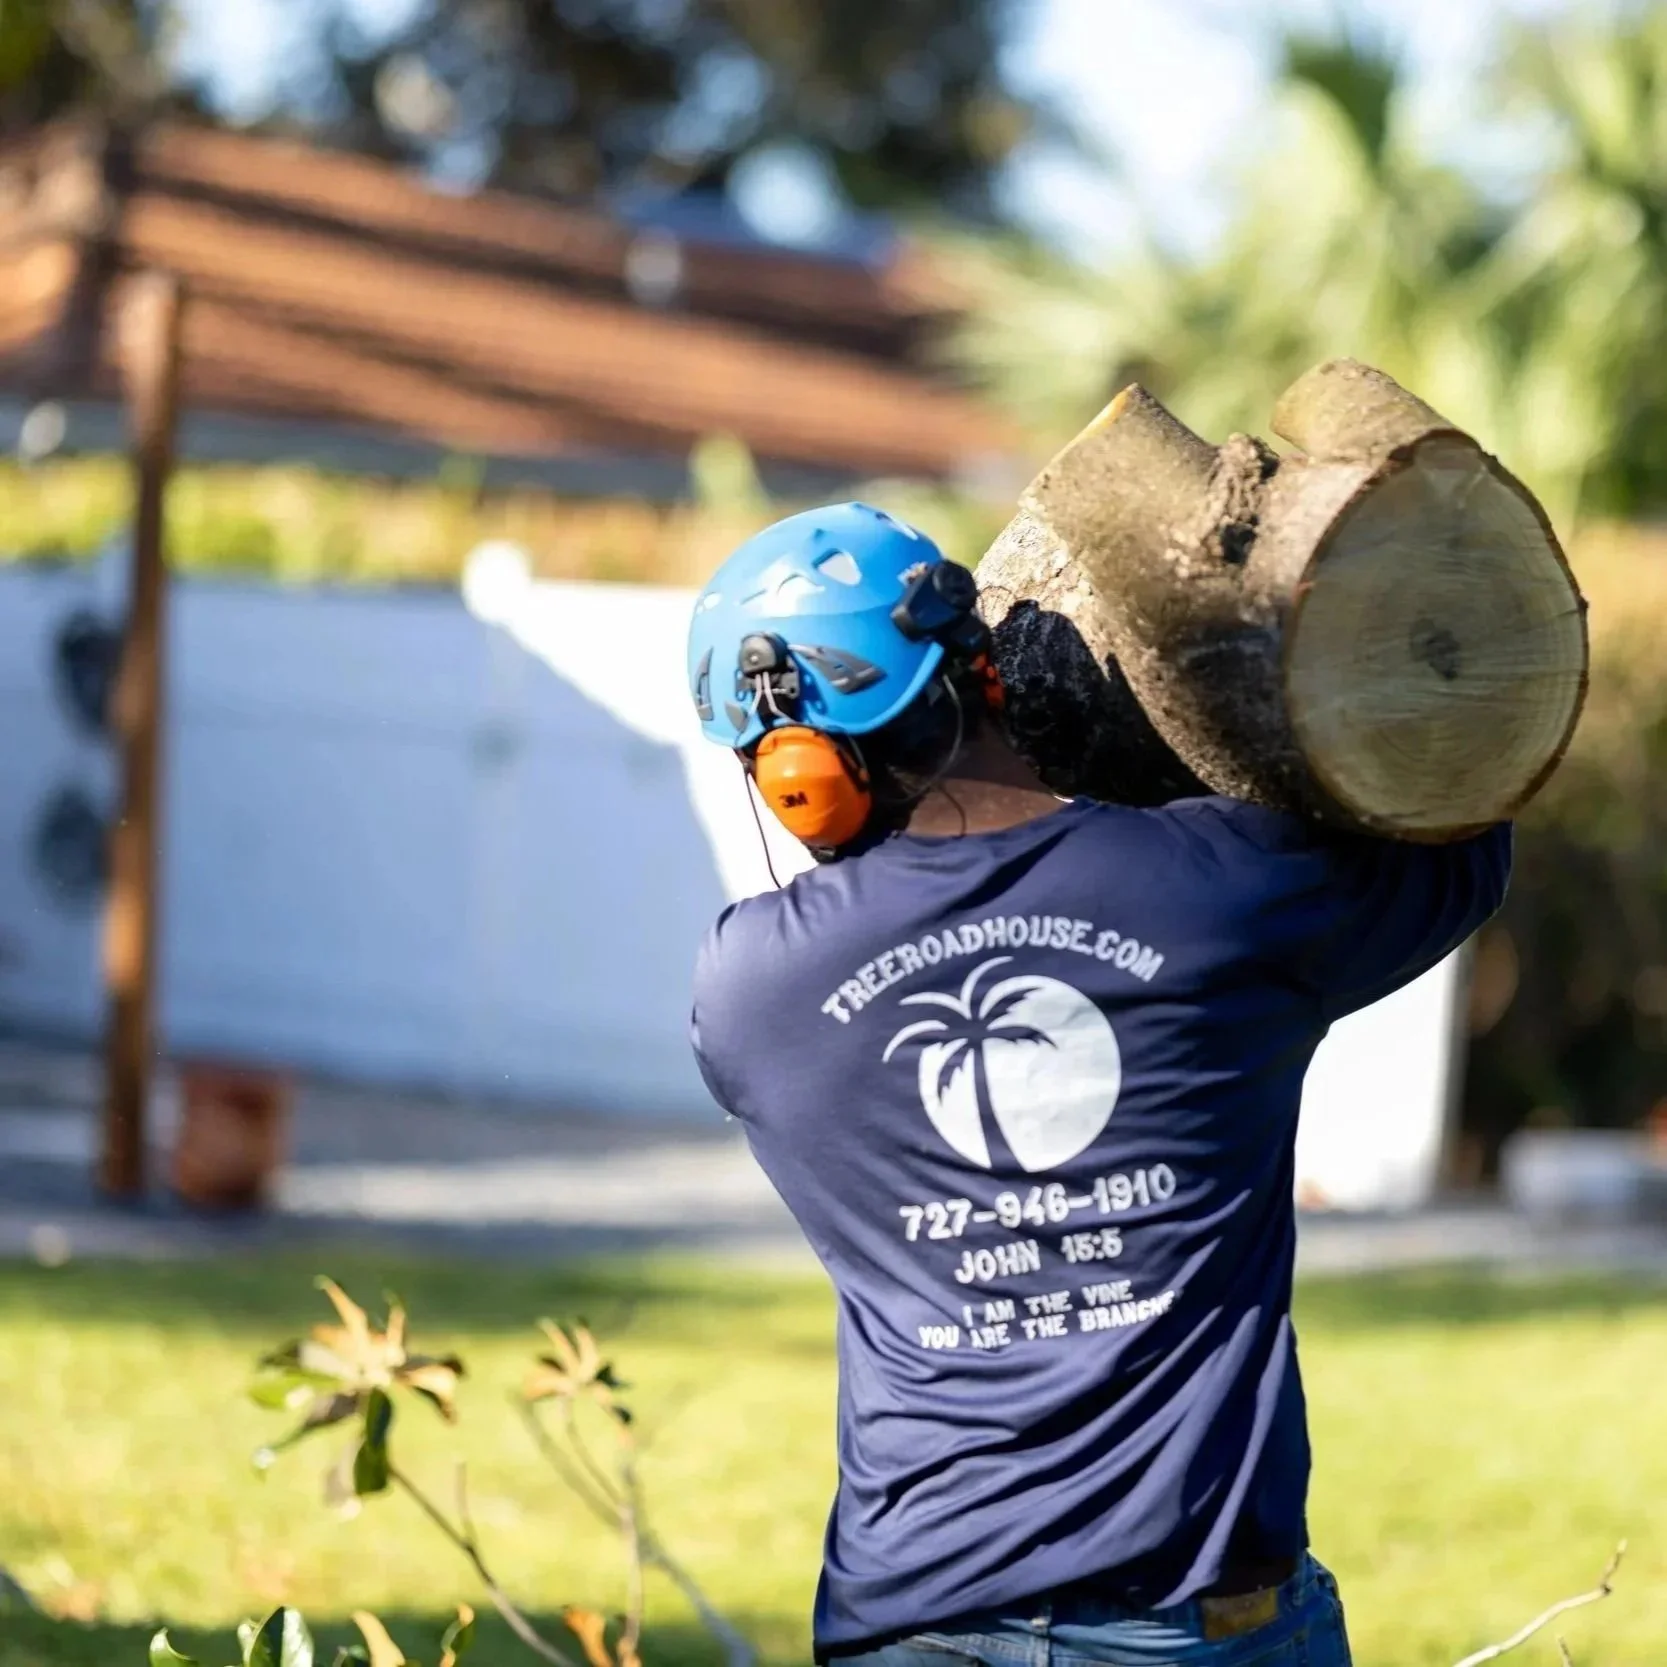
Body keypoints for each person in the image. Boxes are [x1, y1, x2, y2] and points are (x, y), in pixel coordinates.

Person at [685, 503, 1511, 1666]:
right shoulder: (1224, 891)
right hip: (1191, 1622)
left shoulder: (751, 991)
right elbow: (1462, 830)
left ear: (794, 773)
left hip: (912, 1618)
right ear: (985, 673)